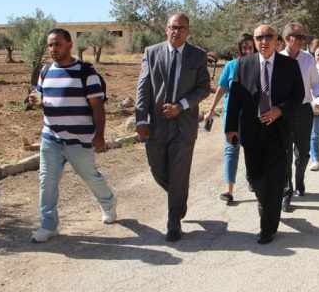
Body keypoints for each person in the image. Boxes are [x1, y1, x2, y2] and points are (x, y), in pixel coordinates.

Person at [27, 28, 117, 243]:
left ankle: (108, 203)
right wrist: (38, 102)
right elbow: (42, 97)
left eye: (57, 44)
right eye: (50, 45)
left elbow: (97, 106)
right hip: (51, 137)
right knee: (47, 181)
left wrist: (99, 135)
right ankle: (48, 225)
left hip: (79, 139)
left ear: (69, 45)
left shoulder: (86, 72)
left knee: (90, 176)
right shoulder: (46, 71)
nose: (53, 49)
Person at [225, 24, 304, 244]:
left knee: (276, 179)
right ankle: (264, 203)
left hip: (278, 130)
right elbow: (235, 98)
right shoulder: (243, 64)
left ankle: (268, 226)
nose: (264, 41)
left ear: (277, 40)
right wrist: (230, 127)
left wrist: (280, 110)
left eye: (268, 37)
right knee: (255, 177)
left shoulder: (289, 65)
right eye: (259, 37)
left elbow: (298, 95)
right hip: (252, 130)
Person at [135, 13, 211, 242]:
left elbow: (203, 88)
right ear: (166, 29)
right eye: (173, 27)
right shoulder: (151, 52)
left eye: (181, 28)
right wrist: (141, 119)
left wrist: (181, 106)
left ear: (188, 31)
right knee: (157, 169)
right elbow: (143, 87)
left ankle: (173, 220)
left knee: (178, 172)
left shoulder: (197, 55)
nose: (176, 31)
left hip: (183, 124)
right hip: (156, 124)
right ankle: (178, 194)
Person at [202, 33, 256, 202]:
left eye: (250, 47)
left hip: (251, 116)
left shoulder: (260, 66)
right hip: (231, 114)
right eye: (244, 47)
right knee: (231, 150)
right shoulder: (231, 66)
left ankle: (252, 177)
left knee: (252, 150)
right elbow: (221, 89)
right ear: (239, 49)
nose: (248, 50)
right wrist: (211, 110)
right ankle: (229, 190)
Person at [280, 22, 319, 210]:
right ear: (287, 38)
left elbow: (316, 83)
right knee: (285, 154)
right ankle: (286, 191)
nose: (302, 40)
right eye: (298, 37)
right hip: (283, 112)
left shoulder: (308, 59)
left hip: (304, 110)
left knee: (303, 154)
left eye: (303, 37)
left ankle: (300, 178)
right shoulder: (277, 59)